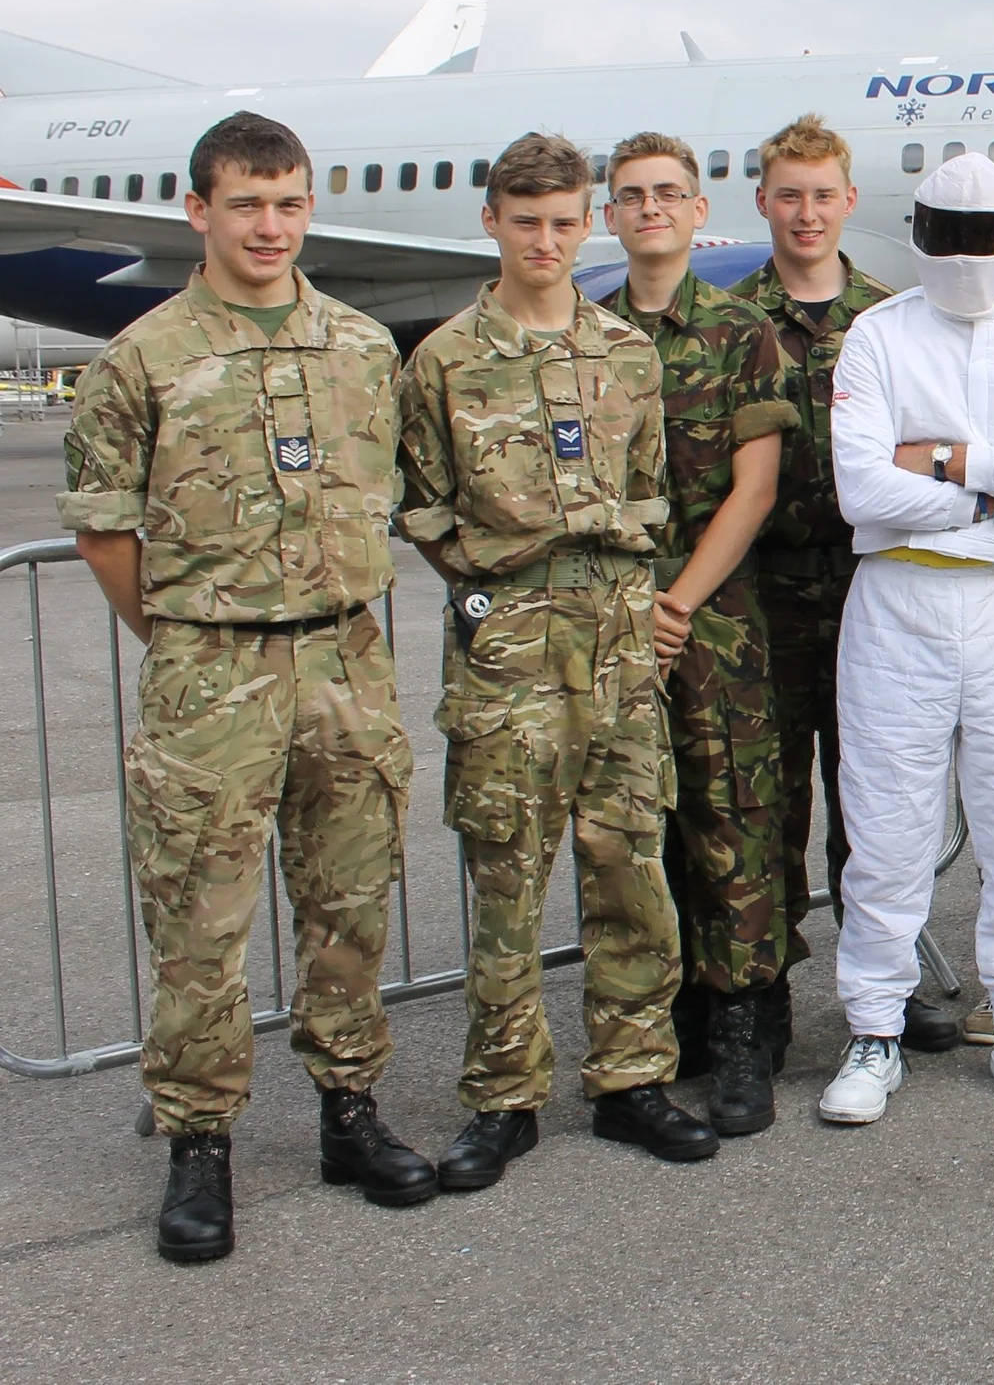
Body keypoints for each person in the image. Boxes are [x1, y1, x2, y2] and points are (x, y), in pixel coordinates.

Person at [62, 112, 435, 1262]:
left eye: (287, 203)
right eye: (245, 204)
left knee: (350, 904)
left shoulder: (365, 347)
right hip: (210, 671)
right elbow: (105, 532)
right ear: (199, 212)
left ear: (308, 206)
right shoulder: (145, 357)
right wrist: (188, 638)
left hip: (345, 660)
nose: (269, 226)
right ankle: (199, 1143)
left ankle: (348, 1112)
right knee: (199, 922)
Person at [398, 133, 718, 1187]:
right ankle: (503, 1095)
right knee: (506, 879)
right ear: (491, 222)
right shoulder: (444, 360)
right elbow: (427, 509)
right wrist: (500, 579)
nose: (546, 240)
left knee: (630, 869)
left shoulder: (626, 352)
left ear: (589, 224)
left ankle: (632, 1077)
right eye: (525, 221)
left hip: (620, 649)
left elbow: (648, 490)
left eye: (564, 221)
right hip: (510, 657)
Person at [814, 154, 994, 1124]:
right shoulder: (877, 337)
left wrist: (938, 463)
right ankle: (873, 1029)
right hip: (897, 606)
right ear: (919, 232)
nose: (969, 257)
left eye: (984, 238)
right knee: (887, 828)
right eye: (952, 237)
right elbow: (862, 488)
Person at [730, 114, 961, 1058]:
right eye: (789, 194)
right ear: (763, 203)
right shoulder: (732, 322)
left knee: (880, 809)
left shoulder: (892, 317)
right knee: (764, 811)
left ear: (849, 201)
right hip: (764, 596)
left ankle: (888, 989)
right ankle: (762, 1001)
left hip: (873, 586)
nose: (807, 212)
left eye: (823, 194)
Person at [594, 132, 800, 1135]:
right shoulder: (582, 338)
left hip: (711, 626)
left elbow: (755, 486)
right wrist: (637, 609)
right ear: (611, 215)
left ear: (694, 208)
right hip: (608, 621)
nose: (649, 210)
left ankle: (743, 1033)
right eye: (631, 196)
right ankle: (651, 1025)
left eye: (667, 193)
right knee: (635, 830)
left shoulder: (739, 331)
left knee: (733, 824)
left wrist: (675, 606)